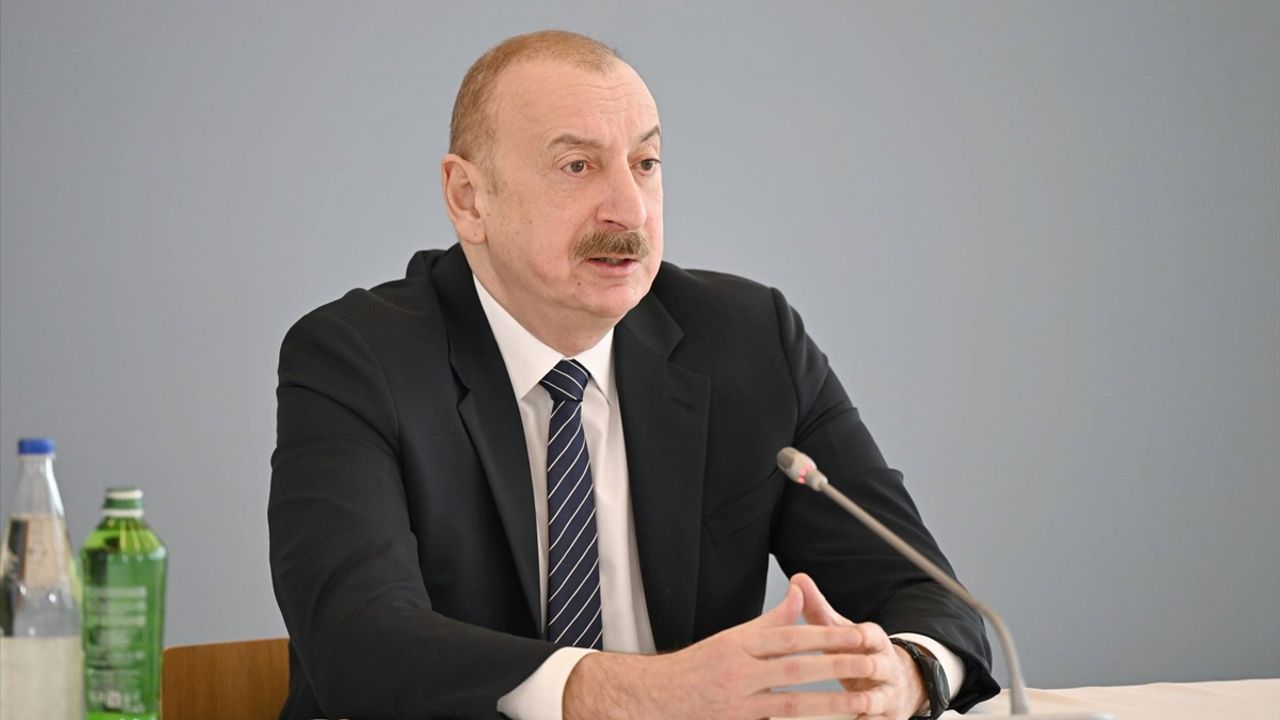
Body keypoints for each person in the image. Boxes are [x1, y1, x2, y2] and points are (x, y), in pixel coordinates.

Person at [269, 30, 999, 720]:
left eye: (645, 163)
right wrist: (645, 694)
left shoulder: (749, 342)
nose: (629, 210)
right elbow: (356, 641)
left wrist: (904, 673)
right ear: (468, 198)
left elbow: (929, 597)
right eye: (577, 166)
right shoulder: (359, 359)